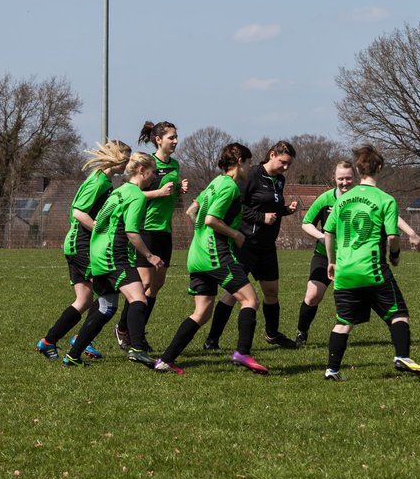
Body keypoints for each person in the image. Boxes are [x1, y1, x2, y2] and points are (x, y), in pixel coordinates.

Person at [153, 142, 269, 375]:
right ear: (239, 162)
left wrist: (202, 233)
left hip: (196, 255)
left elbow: (192, 211)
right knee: (250, 300)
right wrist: (235, 234)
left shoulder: (215, 183)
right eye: (247, 162)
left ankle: (165, 360)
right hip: (214, 253)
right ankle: (243, 352)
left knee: (202, 311)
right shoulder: (229, 186)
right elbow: (211, 220)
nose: (248, 167)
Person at [321, 144, 420, 381]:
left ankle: (332, 369)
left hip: (345, 271)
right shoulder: (385, 200)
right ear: (379, 167)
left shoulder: (342, 200)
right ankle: (401, 355)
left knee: (343, 321)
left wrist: (331, 261)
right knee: (398, 313)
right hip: (372, 270)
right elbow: (392, 236)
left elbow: (328, 233)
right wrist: (395, 255)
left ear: (358, 170)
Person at [64, 152, 165, 367]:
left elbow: (99, 222)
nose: (154, 177)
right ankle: (137, 349)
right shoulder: (136, 195)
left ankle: (73, 354)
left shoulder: (118, 193)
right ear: (141, 171)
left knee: (106, 307)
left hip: (98, 255)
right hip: (114, 255)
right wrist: (150, 256)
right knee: (139, 299)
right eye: (153, 172)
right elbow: (132, 232)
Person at [36, 140, 131, 361]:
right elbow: (79, 212)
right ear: (117, 159)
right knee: (108, 294)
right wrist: (101, 230)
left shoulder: (102, 180)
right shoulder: (98, 182)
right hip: (82, 245)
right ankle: (82, 341)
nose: (127, 165)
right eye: (126, 160)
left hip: (76, 244)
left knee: (84, 299)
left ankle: (49, 341)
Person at [201, 141, 299, 350]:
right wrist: (260, 217)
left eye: (289, 164)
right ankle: (212, 339)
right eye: (283, 162)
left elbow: (269, 205)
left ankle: (272, 334)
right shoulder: (251, 175)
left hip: (266, 247)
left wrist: (285, 210)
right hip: (245, 244)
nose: (285, 168)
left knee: (271, 292)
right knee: (233, 294)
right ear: (272, 154)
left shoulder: (279, 180)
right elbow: (238, 206)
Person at [115, 120, 187, 352]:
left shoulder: (175, 165)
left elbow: (172, 198)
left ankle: (138, 330)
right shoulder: (147, 163)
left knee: (156, 285)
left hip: (164, 230)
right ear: (158, 139)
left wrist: (179, 190)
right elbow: (132, 194)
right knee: (144, 283)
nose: (175, 141)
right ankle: (125, 329)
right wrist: (158, 192)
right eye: (171, 137)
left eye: (176, 137)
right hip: (145, 228)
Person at [294, 159, 355, 347]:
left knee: (354, 300)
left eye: (348, 179)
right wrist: (322, 238)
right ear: (334, 178)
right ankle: (301, 333)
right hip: (324, 256)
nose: (345, 183)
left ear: (355, 178)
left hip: (351, 258)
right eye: (341, 179)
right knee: (313, 295)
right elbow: (306, 223)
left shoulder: (361, 198)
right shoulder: (325, 199)